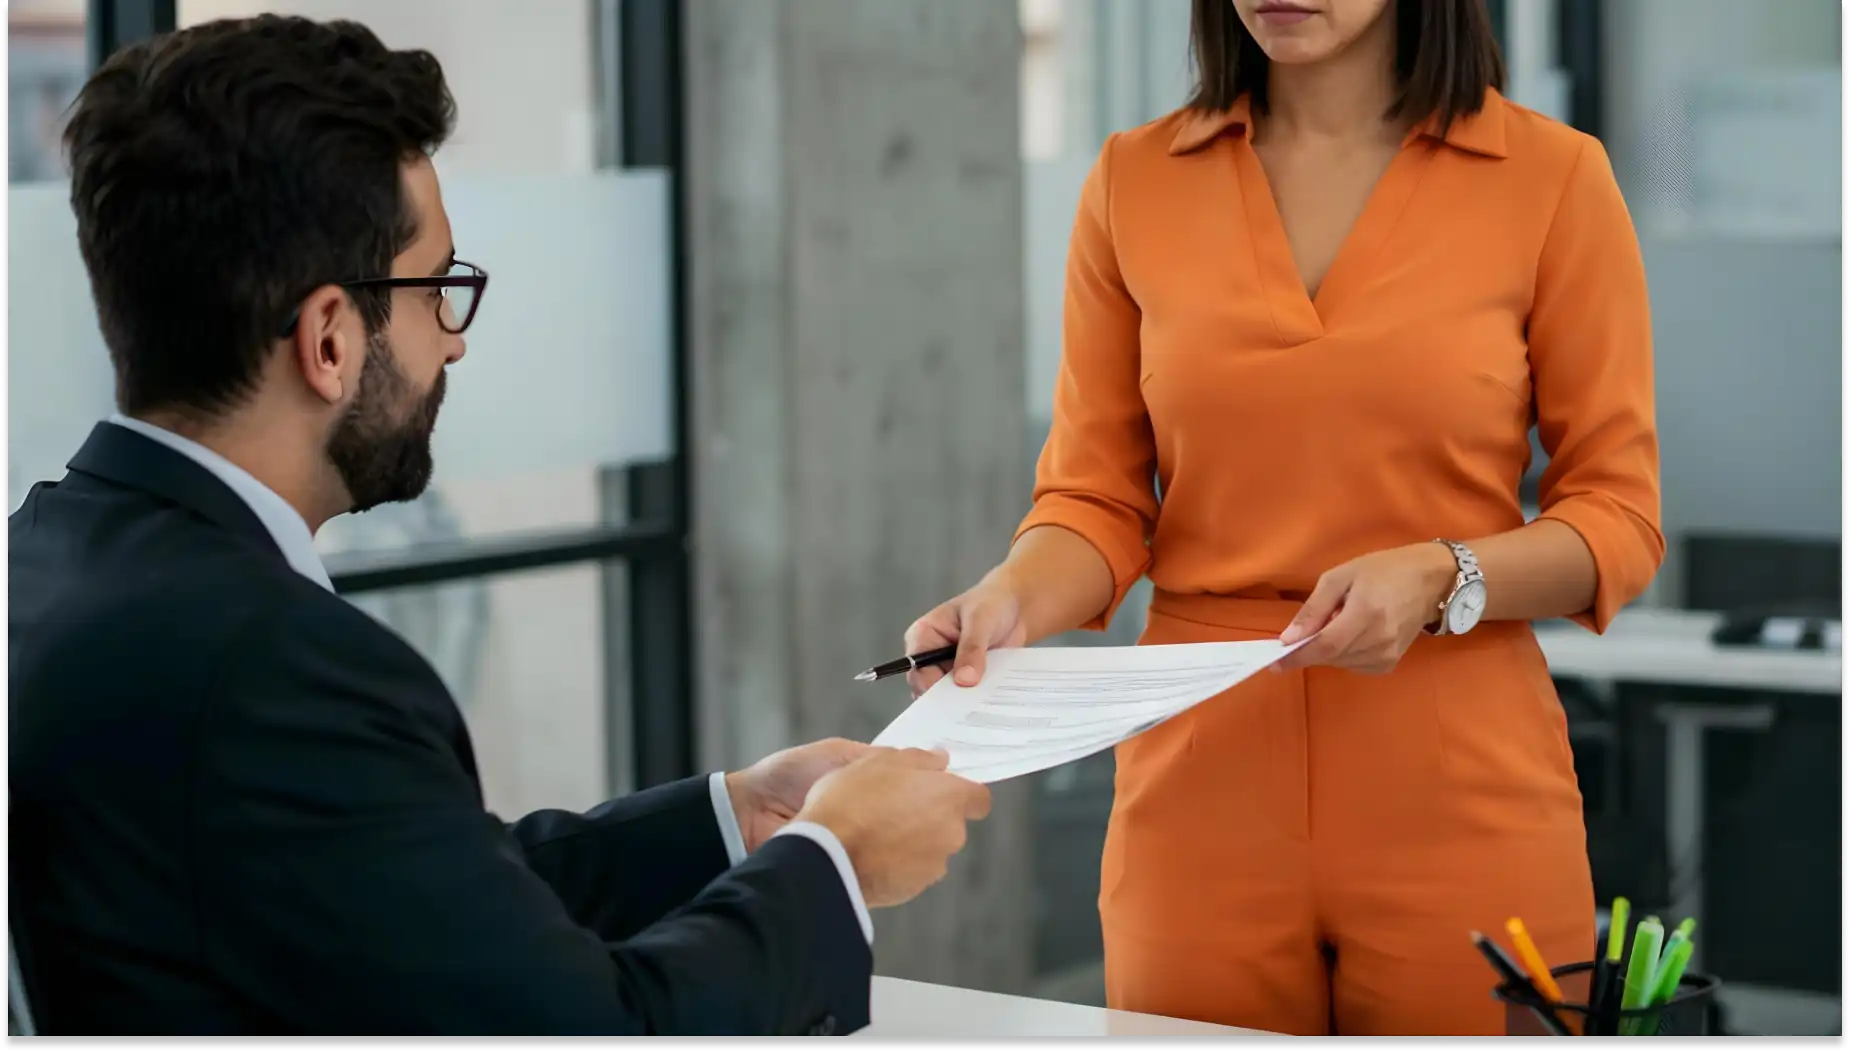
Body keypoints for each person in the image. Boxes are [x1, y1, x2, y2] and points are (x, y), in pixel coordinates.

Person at [7, 16, 990, 1038]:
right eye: (437, 290)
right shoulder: (274, 663)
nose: (455, 343)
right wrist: (833, 861)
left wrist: (730, 814)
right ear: (330, 340)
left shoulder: (51, 557)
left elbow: (400, 894)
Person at [904, 0, 1659, 1037]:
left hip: (1458, 763)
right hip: (1196, 771)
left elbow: (1616, 516)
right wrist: (1008, 598)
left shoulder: (1551, 179)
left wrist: (1442, 574)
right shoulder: (1134, 179)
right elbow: (1095, 497)